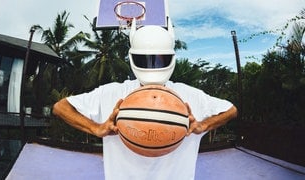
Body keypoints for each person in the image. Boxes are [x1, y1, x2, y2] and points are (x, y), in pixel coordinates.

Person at [53, 19, 237, 180]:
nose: (153, 64)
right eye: (147, 59)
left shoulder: (190, 95)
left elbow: (231, 110)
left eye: (158, 59)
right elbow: (60, 107)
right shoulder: (110, 93)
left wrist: (203, 126)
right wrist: (96, 128)